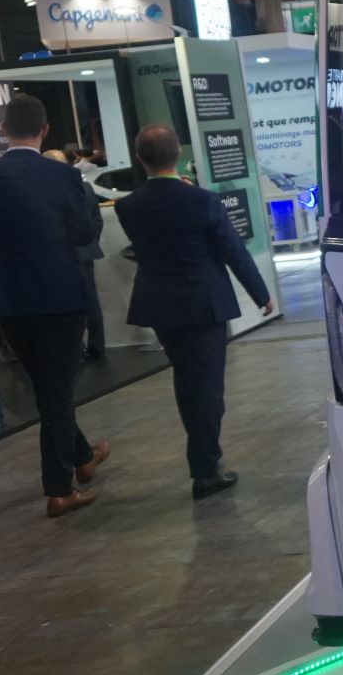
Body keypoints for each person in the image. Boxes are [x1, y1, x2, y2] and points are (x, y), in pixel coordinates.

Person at [0, 95, 110, 518]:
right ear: (44, 130)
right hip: (61, 298)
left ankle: (83, 459)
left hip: (9, 303)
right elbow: (83, 233)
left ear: (3, 129)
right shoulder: (63, 176)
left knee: (48, 389)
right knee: (58, 393)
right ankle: (59, 490)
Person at [114, 124, 273, 499]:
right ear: (179, 155)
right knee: (207, 388)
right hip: (204, 304)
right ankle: (205, 469)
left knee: (188, 381)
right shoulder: (203, 201)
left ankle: (204, 461)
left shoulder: (127, 206)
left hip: (160, 306)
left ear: (139, 159)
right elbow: (232, 250)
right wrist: (260, 293)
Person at [43, 150, 106, 356]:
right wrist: (89, 242)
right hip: (85, 253)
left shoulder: (47, 191)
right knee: (91, 301)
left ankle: (75, 349)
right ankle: (97, 347)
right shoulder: (84, 187)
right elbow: (96, 220)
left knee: (66, 304)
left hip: (61, 256)